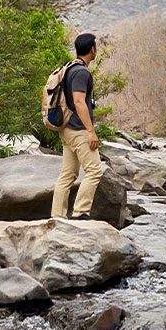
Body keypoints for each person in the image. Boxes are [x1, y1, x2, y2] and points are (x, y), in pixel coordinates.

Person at [51, 33, 103, 220]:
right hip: (78, 129)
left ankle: (57, 216)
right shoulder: (81, 72)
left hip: (66, 128)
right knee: (94, 171)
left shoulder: (69, 67)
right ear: (92, 49)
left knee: (69, 173)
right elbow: (79, 101)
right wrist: (90, 131)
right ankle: (80, 212)